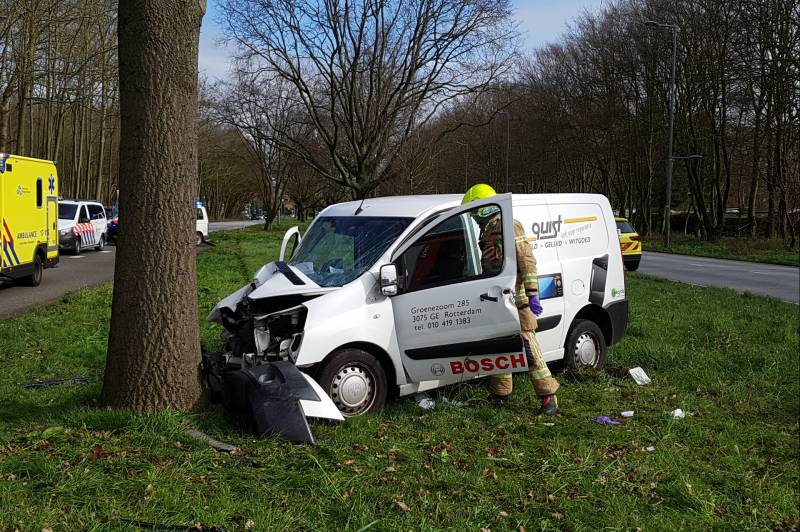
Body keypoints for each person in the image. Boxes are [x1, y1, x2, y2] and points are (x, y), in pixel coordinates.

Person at [462, 183, 560, 415]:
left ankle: (548, 397)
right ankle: (501, 392)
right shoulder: (488, 229)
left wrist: (533, 294)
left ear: (483, 208)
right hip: (497, 298)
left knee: (528, 348)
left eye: (475, 212)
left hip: (516, 300)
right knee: (500, 346)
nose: (474, 219)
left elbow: (527, 260)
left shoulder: (508, 225)